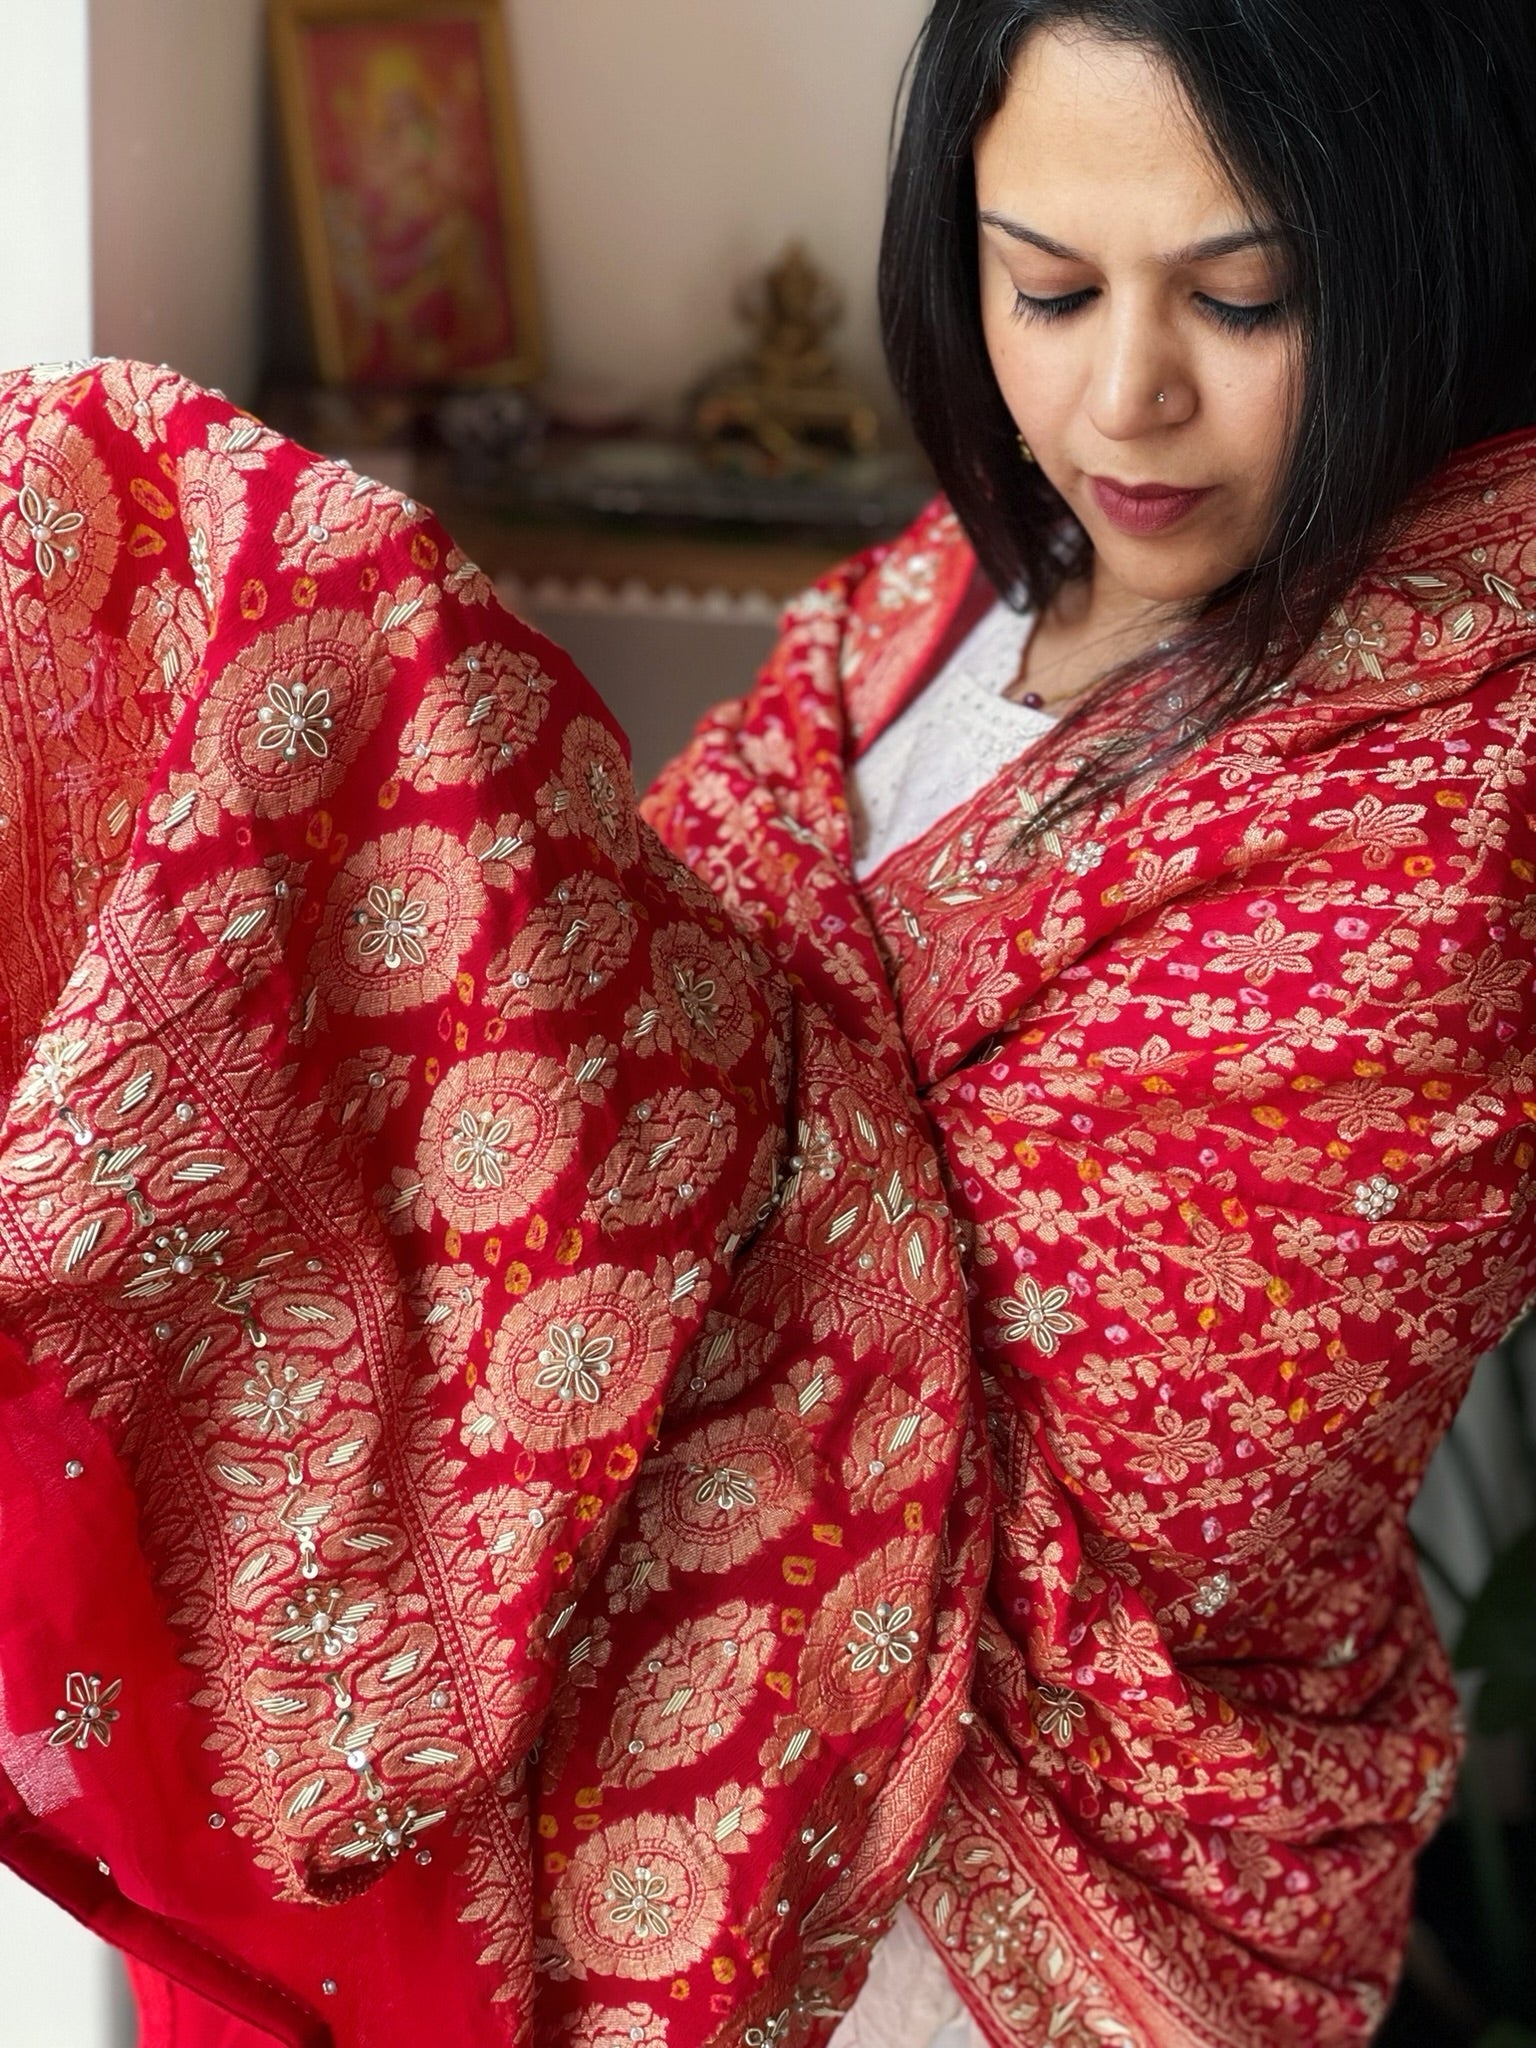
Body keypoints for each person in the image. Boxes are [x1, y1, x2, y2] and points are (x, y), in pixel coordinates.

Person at [0, 8, 1533, 2048]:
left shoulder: (1467, 785)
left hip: (1030, 1900)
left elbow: (1171, 1465)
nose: (1127, 394)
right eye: (1047, 286)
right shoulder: (955, 593)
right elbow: (629, 981)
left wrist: (398, 716)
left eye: (1249, 299)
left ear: (1427, 251)